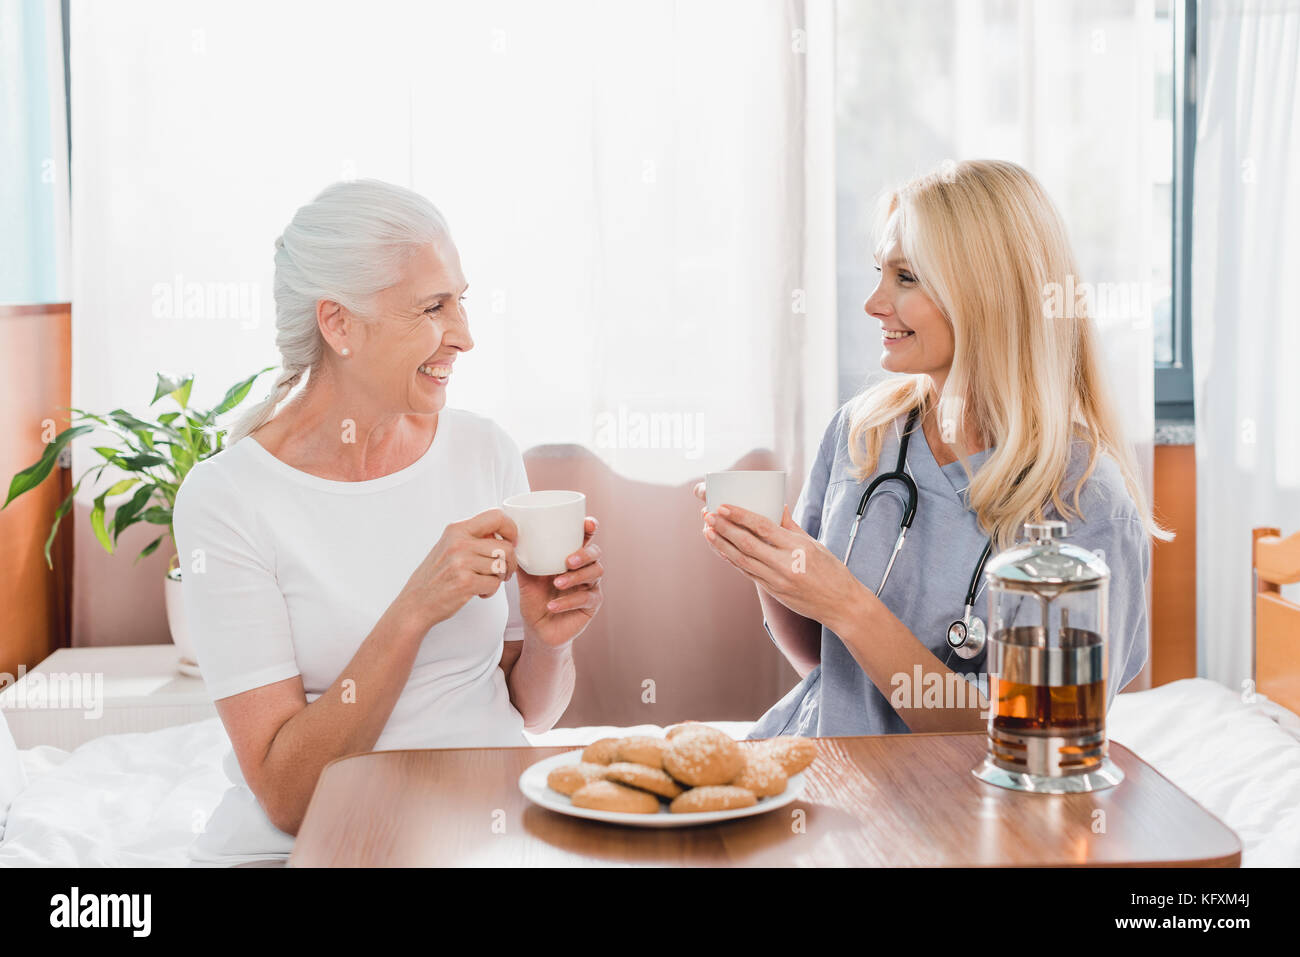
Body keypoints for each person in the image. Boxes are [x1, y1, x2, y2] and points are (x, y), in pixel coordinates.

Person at [172, 180, 604, 864]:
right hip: (322, 844)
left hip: (481, 829)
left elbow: (530, 713)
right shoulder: (229, 498)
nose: (464, 335)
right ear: (338, 324)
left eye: (461, 300)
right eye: (433, 307)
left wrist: (550, 640)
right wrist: (413, 610)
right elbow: (288, 796)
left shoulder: (483, 449)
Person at [696, 159, 1171, 739]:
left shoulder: (1086, 501)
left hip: (959, 816)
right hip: (817, 772)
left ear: (986, 293)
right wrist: (771, 561)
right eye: (879, 273)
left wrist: (848, 603)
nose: (874, 302)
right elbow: (827, 665)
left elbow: (1036, 737)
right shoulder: (864, 433)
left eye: (906, 278)